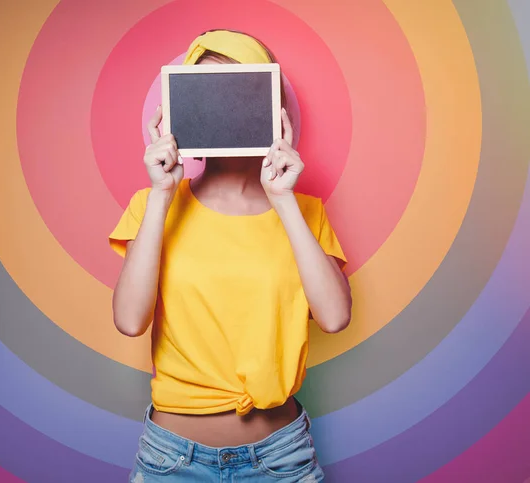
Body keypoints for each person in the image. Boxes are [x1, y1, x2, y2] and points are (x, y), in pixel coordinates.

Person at [109, 29, 351, 483]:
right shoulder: (151, 206)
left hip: (282, 459)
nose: (223, 108)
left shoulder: (305, 212)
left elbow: (335, 317)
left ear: (271, 108)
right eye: (206, 93)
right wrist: (163, 193)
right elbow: (129, 320)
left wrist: (283, 199)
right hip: (172, 461)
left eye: (239, 91)